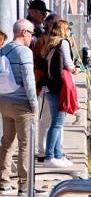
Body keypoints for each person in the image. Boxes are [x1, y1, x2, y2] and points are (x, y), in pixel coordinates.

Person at [0, 19, 47, 195]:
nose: (32, 37)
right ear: (24, 32)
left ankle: (3, 182)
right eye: (31, 33)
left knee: (7, 142)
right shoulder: (24, 52)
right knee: (25, 144)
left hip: (4, 101)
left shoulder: (2, 49)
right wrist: (34, 105)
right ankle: (25, 185)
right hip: (21, 104)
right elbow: (29, 81)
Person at [41, 20, 77, 168]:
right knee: (57, 123)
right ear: (64, 29)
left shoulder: (49, 44)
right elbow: (68, 64)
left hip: (50, 87)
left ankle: (58, 154)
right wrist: (75, 69)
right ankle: (50, 157)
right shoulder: (63, 43)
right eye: (68, 29)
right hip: (60, 87)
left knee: (56, 121)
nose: (69, 31)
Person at [34, 14, 62, 162]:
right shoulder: (44, 41)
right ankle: (43, 150)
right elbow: (39, 64)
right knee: (46, 119)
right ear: (51, 25)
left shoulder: (49, 41)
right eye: (58, 24)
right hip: (45, 84)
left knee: (51, 119)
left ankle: (48, 149)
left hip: (48, 83)